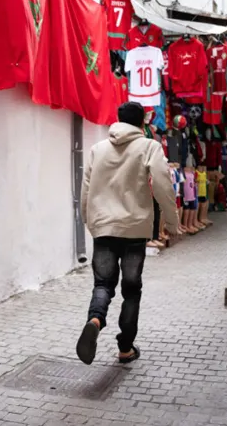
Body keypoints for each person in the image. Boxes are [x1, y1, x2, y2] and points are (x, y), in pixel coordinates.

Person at [77, 102, 179, 365]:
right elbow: (162, 185)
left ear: (118, 120)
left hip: (103, 227)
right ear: (142, 123)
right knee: (131, 289)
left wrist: (89, 221)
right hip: (134, 229)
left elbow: (86, 189)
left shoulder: (97, 149)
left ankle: (95, 319)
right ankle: (125, 348)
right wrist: (172, 222)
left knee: (103, 284)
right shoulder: (149, 147)